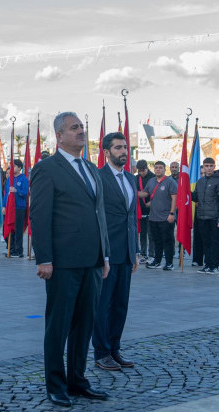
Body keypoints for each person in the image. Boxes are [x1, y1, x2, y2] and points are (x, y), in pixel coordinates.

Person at [30, 112, 110, 407]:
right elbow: (39, 216)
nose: (81, 131)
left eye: (82, 127)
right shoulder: (46, 168)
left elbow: (99, 215)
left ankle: (77, 380)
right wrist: (44, 258)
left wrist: (105, 255)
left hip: (92, 261)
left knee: (84, 325)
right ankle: (56, 384)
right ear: (59, 135)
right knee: (59, 326)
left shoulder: (90, 168)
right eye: (74, 127)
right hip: (62, 262)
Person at [93, 132, 139, 371]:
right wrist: (102, 254)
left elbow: (132, 218)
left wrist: (136, 250)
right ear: (106, 152)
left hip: (127, 253)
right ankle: (101, 352)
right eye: (118, 147)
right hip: (107, 253)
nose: (123, 152)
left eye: (125, 147)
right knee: (102, 305)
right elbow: (96, 217)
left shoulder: (131, 178)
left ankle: (114, 349)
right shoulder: (98, 177)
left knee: (121, 305)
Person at [192, 157, 219, 274]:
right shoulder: (200, 182)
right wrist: (186, 191)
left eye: (211, 166)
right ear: (203, 167)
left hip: (214, 218)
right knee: (205, 242)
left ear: (214, 167)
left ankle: (214, 266)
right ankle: (207, 264)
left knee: (215, 242)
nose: (208, 168)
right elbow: (196, 197)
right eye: (206, 166)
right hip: (202, 217)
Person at [144, 161, 178, 270]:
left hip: (166, 217)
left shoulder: (170, 181)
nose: (158, 169)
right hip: (153, 217)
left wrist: (172, 213)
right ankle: (157, 262)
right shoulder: (151, 181)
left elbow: (174, 198)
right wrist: (133, 192)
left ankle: (169, 263)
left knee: (167, 241)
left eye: (160, 168)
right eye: (156, 168)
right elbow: (145, 193)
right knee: (156, 241)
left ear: (164, 169)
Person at [3, 159, 29, 258]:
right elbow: (6, 194)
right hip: (10, 207)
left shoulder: (23, 179)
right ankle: (11, 249)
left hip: (19, 207)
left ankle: (19, 251)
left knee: (18, 229)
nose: (12, 168)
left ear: (19, 167)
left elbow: (25, 193)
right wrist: (4, 206)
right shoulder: (9, 179)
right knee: (10, 228)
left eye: (14, 166)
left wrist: (16, 191)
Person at [134, 160, 155, 263]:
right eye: (139, 171)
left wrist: (152, 202)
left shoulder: (153, 177)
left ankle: (152, 254)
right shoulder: (136, 178)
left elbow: (157, 192)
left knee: (151, 233)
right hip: (140, 209)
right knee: (142, 233)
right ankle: (143, 254)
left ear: (147, 168)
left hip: (152, 208)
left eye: (143, 170)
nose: (141, 173)